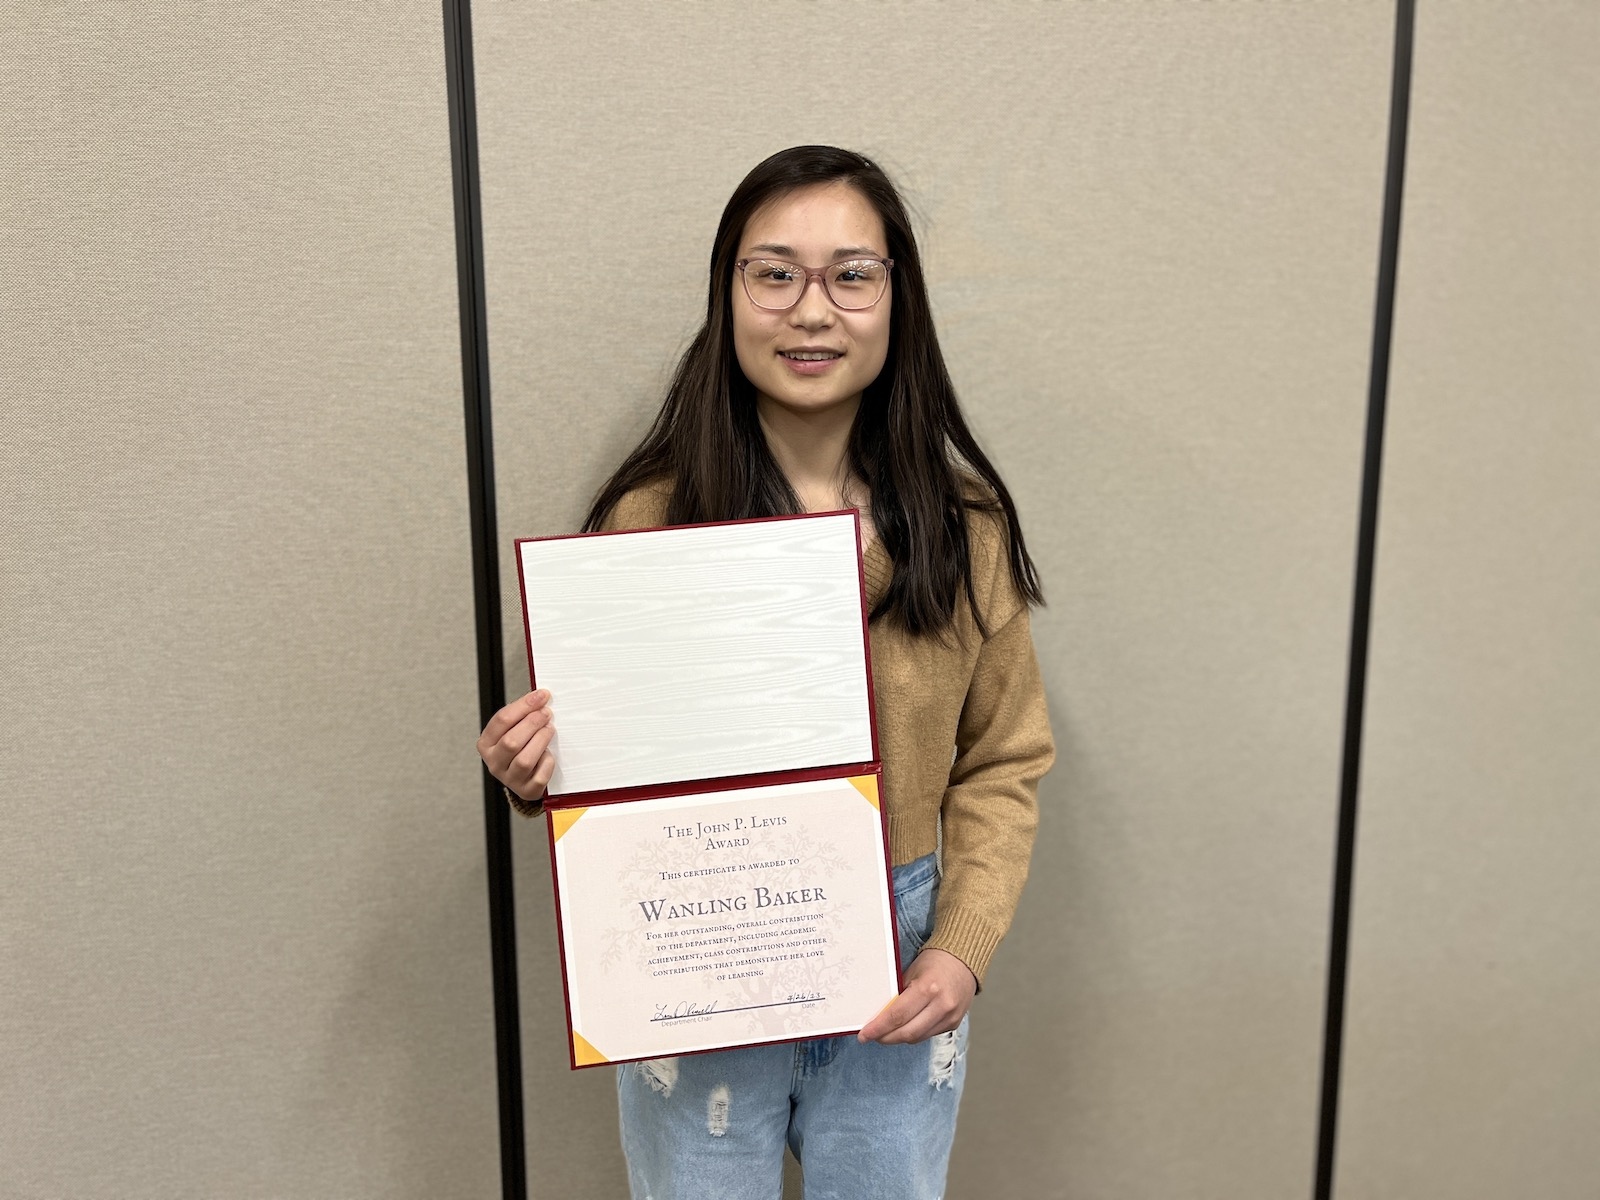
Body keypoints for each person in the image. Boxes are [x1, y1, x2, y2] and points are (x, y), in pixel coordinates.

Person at [475, 144, 1055, 1200]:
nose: (812, 310)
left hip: (900, 951)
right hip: (697, 946)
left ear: (897, 301)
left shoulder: (961, 531)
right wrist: (538, 771)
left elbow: (1006, 760)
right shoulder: (649, 517)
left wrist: (961, 946)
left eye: (852, 275)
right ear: (728, 294)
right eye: (774, 272)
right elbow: (607, 772)